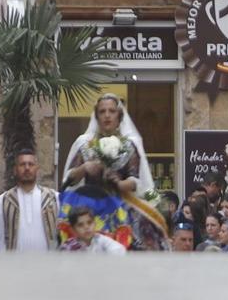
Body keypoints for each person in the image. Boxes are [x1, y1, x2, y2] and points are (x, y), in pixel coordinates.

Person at [60, 93, 168, 250]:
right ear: (96, 116)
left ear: (119, 116)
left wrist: (118, 183)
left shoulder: (129, 145)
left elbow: (134, 181)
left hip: (120, 209)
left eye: (112, 111)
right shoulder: (85, 144)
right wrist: (85, 168)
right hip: (89, 211)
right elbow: (69, 179)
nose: (107, 115)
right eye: (102, 112)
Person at [0, 150, 60, 252]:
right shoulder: (2, 202)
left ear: (37, 169)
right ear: (15, 170)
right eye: (22, 164)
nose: (27, 168)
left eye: (31, 164)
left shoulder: (53, 198)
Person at [63, 205, 127, 255]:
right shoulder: (69, 247)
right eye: (80, 225)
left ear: (95, 224)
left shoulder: (100, 239)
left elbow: (120, 250)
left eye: (89, 223)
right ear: (73, 229)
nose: (86, 227)